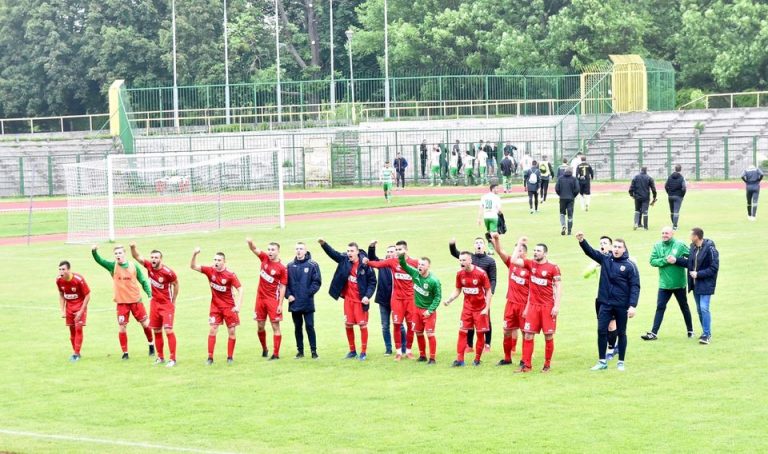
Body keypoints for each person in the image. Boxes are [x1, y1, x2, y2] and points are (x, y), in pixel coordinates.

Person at [577, 233, 640, 372]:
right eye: (615, 247)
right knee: (601, 330)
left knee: (622, 333)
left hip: (621, 305)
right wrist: (582, 241)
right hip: (605, 303)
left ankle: (621, 362)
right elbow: (590, 252)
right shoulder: (605, 259)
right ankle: (602, 361)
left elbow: (635, 286)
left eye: (619, 247)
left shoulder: (630, 265)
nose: (616, 249)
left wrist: (632, 306)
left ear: (624, 249)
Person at [92, 244, 154, 360]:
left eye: (120, 253)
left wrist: (149, 294)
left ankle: (151, 345)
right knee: (122, 327)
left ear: (124, 254)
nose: (118, 255)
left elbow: (143, 280)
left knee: (145, 324)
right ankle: (125, 353)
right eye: (116, 253)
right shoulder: (112, 266)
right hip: (122, 303)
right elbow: (99, 260)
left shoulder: (133, 265)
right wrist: (94, 251)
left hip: (136, 301)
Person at [507, 241, 562, 373]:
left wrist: (557, 306)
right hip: (532, 307)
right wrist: (520, 243)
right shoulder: (530, 264)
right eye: (534, 250)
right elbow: (514, 260)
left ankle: (547, 365)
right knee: (528, 336)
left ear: (545, 253)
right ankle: (527, 366)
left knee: (548, 336)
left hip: (547, 307)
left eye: (538, 250)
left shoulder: (553, 268)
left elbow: (559, 287)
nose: (535, 252)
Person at [319, 239, 376, 360]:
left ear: (357, 252)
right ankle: (352, 351)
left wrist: (367, 296)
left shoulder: (365, 264)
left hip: (360, 301)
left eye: (351, 251)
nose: (349, 253)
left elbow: (372, 282)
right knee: (348, 324)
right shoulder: (345, 259)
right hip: (348, 301)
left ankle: (363, 352)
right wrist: (324, 244)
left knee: (362, 325)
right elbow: (333, 254)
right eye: (348, 251)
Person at [365, 240, 419, 360]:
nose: (398, 251)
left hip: (410, 299)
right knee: (396, 324)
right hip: (397, 299)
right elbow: (377, 264)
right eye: (397, 249)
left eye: (400, 249)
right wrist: (367, 262)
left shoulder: (414, 263)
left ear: (406, 250)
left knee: (411, 326)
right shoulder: (392, 262)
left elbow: (424, 274)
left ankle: (409, 351)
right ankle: (399, 352)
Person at [130, 243, 180, 367]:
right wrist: (132, 247)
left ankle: (173, 359)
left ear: (161, 259)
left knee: (168, 330)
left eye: (156, 257)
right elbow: (136, 256)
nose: (153, 259)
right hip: (154, 304)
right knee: (157, 330)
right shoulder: (149, 266)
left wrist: (173, 301)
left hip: (166, 305)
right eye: (152, 257)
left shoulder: (168, 272)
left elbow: (176, 284)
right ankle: (160, 357)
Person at [190, 248, 243, 365]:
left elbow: (240, 289)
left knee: (232, 331)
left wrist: (238, 305)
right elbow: (193, 266)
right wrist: (194, 254)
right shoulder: (210, 271)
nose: (216, 262)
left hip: (229, 307)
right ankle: (210, 357)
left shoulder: (230, 275)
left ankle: (230, 357)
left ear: (224, 261)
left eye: (219, 260)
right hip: (215, 307)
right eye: (215, 260)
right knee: (213, 329)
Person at [667, 227, 719, 344]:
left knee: (704, 308)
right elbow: (689, 263)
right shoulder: (693, 247)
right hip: (695, 285)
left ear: (696, 236)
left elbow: (714, 268)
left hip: (705, 284)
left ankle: (707, 334)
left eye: (691, 235)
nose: (689, 237)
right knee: (700, 310)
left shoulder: (710, 249)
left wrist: (698, 274)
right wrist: (676, 260)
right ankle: (705, 332)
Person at [641, 227, 693, 341]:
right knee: (660, 307)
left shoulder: (679, 245)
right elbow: (652, 261)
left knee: (684, 307)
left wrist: (677, 260)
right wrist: (665, 260)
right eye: (663, 233)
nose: (664, 235)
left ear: (672, 234)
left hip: (679, 284)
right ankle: (653, 333)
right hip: (664, 285)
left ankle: (690, 331)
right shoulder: (657, 246)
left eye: (667, 233)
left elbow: (692, 259)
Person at [443, 251, 492, 367]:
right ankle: (460, 360)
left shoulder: (481, 273)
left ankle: (477, 359)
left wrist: (487, 308)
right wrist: (449, 299)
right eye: (460, 260)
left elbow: (488, 290)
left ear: (470, 260)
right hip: (467, 309)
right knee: (462, 332)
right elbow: (458, 289)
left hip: (480, 309)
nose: (461, 262)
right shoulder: (460, 274)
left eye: (464, 260)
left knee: (480, 334)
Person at [449, 237, 497, 353]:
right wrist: (452, 245)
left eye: (481, 242)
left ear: (484, 246)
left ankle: (487, 344)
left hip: (483, 296)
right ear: (474, 246)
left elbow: (493, 279)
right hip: (470, 297)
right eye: (476, 243)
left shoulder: (490, 261)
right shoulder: (469, 258)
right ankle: (469, 345)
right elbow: (455, 253)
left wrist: (490, 292)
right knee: (470, 322)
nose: (478, 244)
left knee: (486, 320)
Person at [489, 234, 529, 367]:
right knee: (506, 330)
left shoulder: (530, 267)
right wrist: (497, 240)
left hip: (524, 305)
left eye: (519, 250)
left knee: (525, 333)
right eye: (516, 250)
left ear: (525, 253)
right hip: (510, 303)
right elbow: (500, 251)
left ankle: (524, 360)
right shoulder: (512, 264)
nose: (517, 253)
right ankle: (507, 358)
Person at [582, 235, 622, 360]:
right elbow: (585, 275)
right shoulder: (598, 260)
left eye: (605, 242)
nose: (602, 244)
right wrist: (595, 265)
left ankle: (611, 348)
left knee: (611, 325)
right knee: (602, 325)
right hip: (599, 298)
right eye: (601, 243)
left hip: (613, 298)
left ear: (610, 245)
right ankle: (612, 347)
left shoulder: (614, 259)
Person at [247, 239, 288, 360]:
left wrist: (280, 304)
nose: (270, 252)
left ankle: (276, 354)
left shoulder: (282, 268)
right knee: (260, 326)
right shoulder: (264, 258)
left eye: (272, 250)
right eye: (269, 249)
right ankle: (264, 348)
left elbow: (283, 286)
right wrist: (250, 242)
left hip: (272, 300)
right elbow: (254, 248)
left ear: (278, 251)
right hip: (260, 299)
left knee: (275, 327)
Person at [398, 253, 441, 364]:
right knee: (418, 332)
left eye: (423, 264)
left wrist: (430, 310)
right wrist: (402, 256)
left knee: (430, 334)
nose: (420, 266)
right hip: (416, 310)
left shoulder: (434, 281)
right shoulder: (415, 273)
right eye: (419, 264)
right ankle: (422, 355)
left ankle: (432, 358)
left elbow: (438, 297)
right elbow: (403, 264)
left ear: (428, 266)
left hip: (428, 311)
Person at [368, 242, 407, 356]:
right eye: (388, 252)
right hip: (383, 300)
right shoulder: (383, 263)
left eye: (391, 251)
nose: (389, 253)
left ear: (396, 252)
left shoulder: (401, 265)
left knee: (399, 325)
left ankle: (403, 348)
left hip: (397, 300)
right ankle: (388, 349)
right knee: (385, 326)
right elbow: (372, 259)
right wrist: (372, 247)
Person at [286, 242, 322, 359]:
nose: (299, 251)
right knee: (297, 327)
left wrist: (307, 293)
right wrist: (288, 295)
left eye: (301, 249)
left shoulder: (312, 265)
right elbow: (284, 284)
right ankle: (300, 351)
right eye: (297, 249)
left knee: (310, 326)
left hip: (307, 302)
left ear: (305, 251)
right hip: (294, 302)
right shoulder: (290, 266)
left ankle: (314, 351)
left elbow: (317, 282)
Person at [56, 260, 90, 362]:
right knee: (72, 331)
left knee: (78, 329)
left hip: (80, 307)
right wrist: (62, 310)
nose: (61, 271)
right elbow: (61, 294)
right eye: (60, 269)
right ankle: (76, 352)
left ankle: (76, 354)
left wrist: (81, 311)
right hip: (69, 308)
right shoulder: (58, 280)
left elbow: (88, 295)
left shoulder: (78, 279)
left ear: (69, 270)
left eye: (63, 269)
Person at [629, 166, 657, 230]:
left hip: (637, 197)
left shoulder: (635, 177)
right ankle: (645, 227)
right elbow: (653, 189)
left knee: (637, 210)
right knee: (645, 212)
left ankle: (636, 223)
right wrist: (654, 197)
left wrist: (632, 195)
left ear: (640, 170)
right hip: (645, 197)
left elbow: (631, 188)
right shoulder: (649, 178)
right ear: (646, 171)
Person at [478, 184, 503, 254]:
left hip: (486, 217)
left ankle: (490, 248)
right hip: (493, 216)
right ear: (492, 189)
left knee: (489, 232)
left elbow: (481, 208)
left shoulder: (484, 196)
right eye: (496, 188)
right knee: (493, 234)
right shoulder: (496, 197)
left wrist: (479, 218)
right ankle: (491, 250)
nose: (498, 190)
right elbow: (499, 210)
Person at [555, 168, 580, 236]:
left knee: (562, 213)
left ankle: (563, 225)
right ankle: (569, 231)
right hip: (570, 198)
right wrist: (573, 195)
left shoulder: (560, 178)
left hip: (562, 198)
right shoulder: (574, 179)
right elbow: (577, 189)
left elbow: (557, 188)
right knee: (570, 215)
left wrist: (560, 194)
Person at [664, 164, 687, 230]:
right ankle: (675, 226)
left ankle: (674, 224)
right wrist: (682, 195)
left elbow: (665, 186)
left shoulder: (670, 177)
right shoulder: (681, 178)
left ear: (675, 169)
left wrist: (668, 193)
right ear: (680, 169)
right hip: (678, 196)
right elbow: (684, 188)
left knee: (672, 211)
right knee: (676, 211)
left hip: (670, 196)